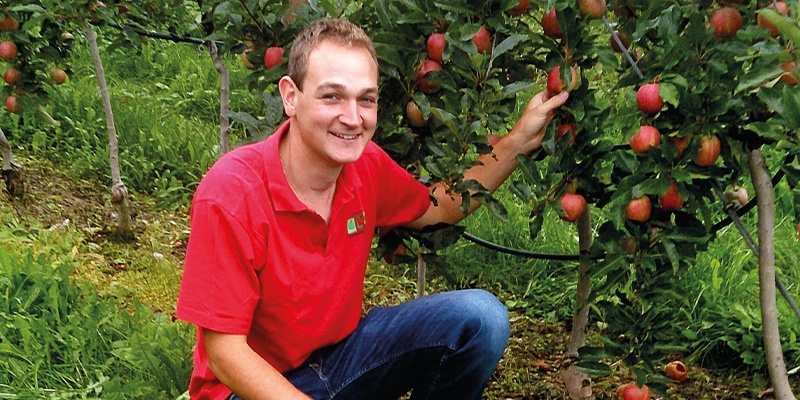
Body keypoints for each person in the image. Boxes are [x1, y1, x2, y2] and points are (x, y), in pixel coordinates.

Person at [176, 18, 569, 400]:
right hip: (249, 388)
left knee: (482, 318)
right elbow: (225, 354)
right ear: (290, 96)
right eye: (332, 96)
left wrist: (518, 141)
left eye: (366, 99)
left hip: (340, 359)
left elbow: (441, 207)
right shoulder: (231, 193)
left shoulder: (365, 168)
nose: (352, 118)